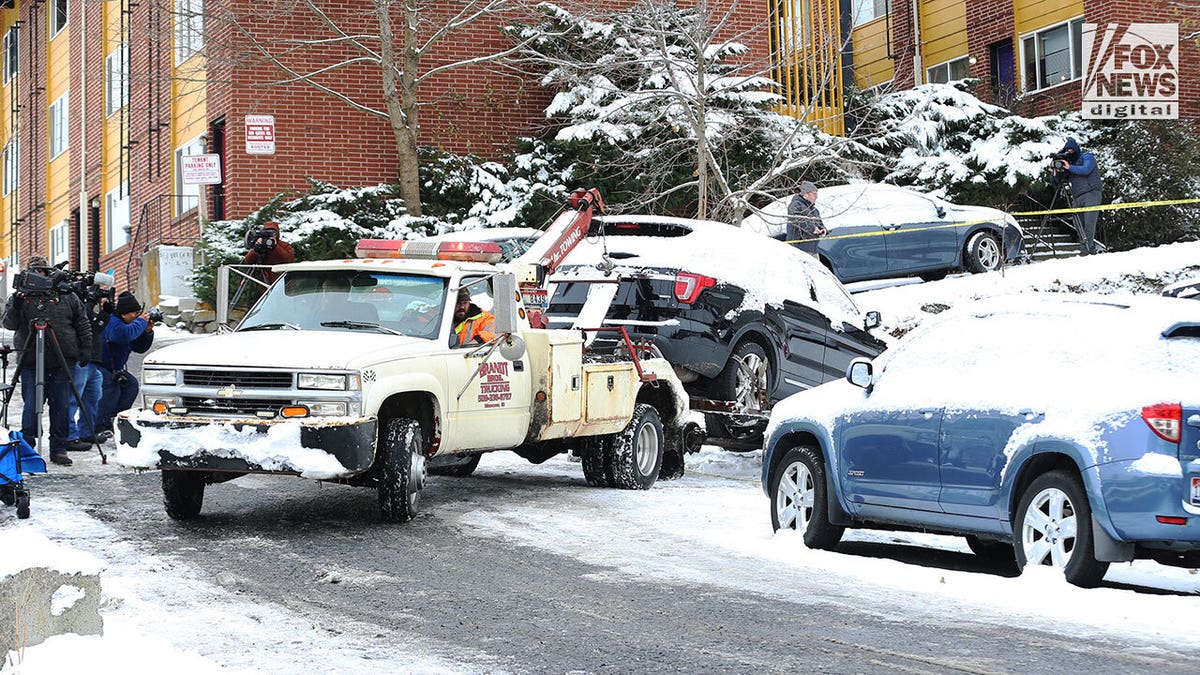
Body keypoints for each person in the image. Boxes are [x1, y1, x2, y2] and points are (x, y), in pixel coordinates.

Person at [1, 256, 93, 466]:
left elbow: (82, 322)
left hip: (63, 360)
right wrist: (16, 304)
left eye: (42, 272)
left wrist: (86, 347)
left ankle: (59, 449)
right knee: (32, 405)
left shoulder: (65, 295)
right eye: (34, 272)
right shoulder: (21, 296)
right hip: (30, 360)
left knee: (60, 405)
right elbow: (9, 323)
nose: (39, 277)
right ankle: (27, 447)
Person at [95, 291, 155, 441]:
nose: (137, 316)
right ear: (123, 314)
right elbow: (121, 336)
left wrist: (147, 332)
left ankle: (115, 420)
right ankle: (98, 426)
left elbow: (139, 347)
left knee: (131, 385)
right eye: (134, 313)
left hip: (116, 367)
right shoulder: (113, 321)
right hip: (99, 364)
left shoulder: (130, 325)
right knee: (110, 388)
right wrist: (140, 322)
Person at [66, 283, 112, 452]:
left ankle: (87, 432)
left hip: (93, 360)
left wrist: (106, 312)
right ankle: (69, 436)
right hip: (79, 359)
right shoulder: (72, 302)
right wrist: (91, 301)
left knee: (92, 398)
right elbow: (82, 323)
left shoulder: (88, 306)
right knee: (73, 399)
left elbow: (96, 329)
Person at [1053, 138, 1104, 256]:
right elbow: (1058, 183)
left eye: (1071, 150)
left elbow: (1086, 169)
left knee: (1089, 223)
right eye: (1067, 151)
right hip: (1077, 196)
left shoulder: (1087, 156)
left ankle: (1085, 250)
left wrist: (1069, 167)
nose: (1069, 152)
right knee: (1077, 223)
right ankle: (1090, 249)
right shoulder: (1069, 165)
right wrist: (1055, 172)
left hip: (1092, 193)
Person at [785, 181, 828, 256]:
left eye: (816, 194)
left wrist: (823, 229)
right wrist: (812, 228)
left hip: (813, 250)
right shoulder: (796, 205)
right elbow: (796, 220)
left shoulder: (814, 210)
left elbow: (819, 223)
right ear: (805, 194)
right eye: (814, 194)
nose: (816, 197)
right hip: (798, 250)